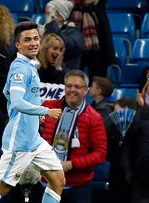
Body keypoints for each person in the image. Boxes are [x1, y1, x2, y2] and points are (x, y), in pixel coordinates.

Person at [0, 21, 65, 203]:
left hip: (34, 139)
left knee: (58, 180)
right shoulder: (20, 69)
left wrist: (35, 115)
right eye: (27, 39)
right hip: (20, 141)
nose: (33, 43)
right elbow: (17, 102)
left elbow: (8, 92)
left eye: (36, 38)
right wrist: (45, 111)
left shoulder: (30, 64)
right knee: (1, 188)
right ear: (18, 45)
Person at [38, 69, 107, 203]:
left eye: (77, 87)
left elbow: (100, 154)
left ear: (86, 90)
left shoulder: (94, 117)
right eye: (69, 86)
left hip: (77, 187)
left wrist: (71, 164)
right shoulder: (48, 107)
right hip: (46, 181)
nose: (72, 90)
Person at [69, 0, 117, 79]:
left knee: (98, 75)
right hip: (75, 39)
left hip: (97, 42)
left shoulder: (98, 8)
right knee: (73, 76)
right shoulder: (71, 9)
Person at [44, 0, 84, 71]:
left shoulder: (75, 32)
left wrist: (51, 25)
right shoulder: (46, 30)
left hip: (66, 75)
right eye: (46, 14)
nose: (46, 17)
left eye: (49, 14)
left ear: (61, 16)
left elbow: (70, 47)